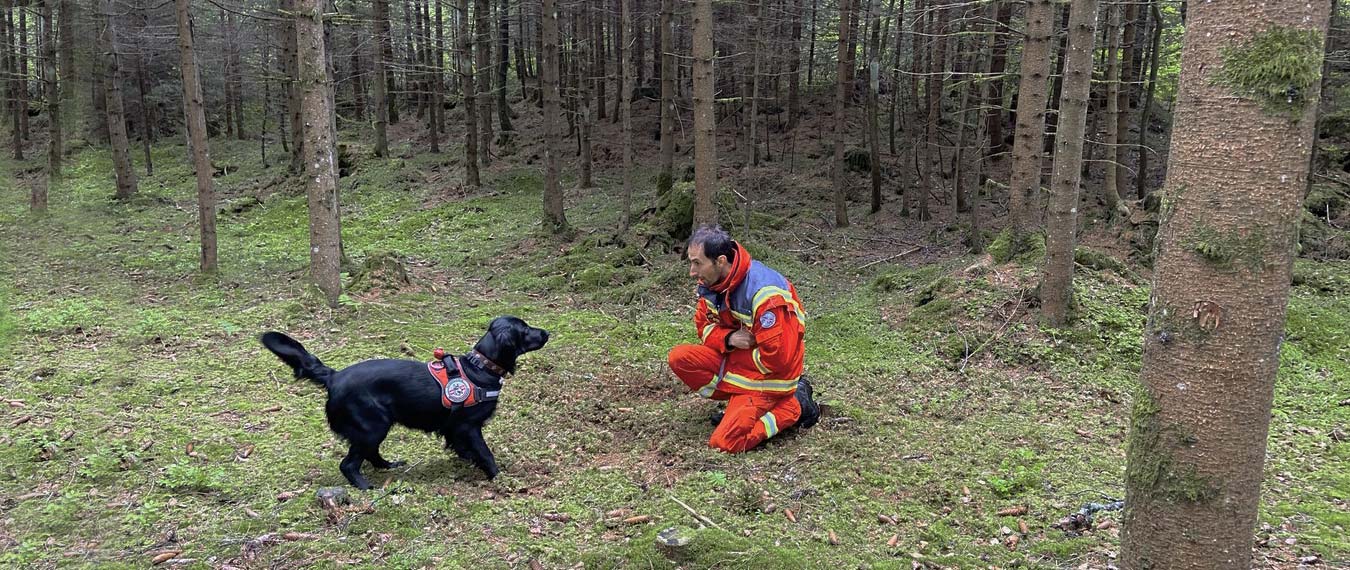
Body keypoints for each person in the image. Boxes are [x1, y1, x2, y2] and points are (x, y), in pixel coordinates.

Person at [667, 225, 821, 453]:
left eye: (697, 263)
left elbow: (779, 361)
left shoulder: (766, 296)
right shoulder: (713, 284)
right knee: (679, 358)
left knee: (724, 443)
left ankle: (794, 406)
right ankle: (739, 407)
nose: (692, 271)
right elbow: (703, 325)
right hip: (742, 366)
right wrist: (729, 338)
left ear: (720, 261)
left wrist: (735, 355)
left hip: (771, 378)